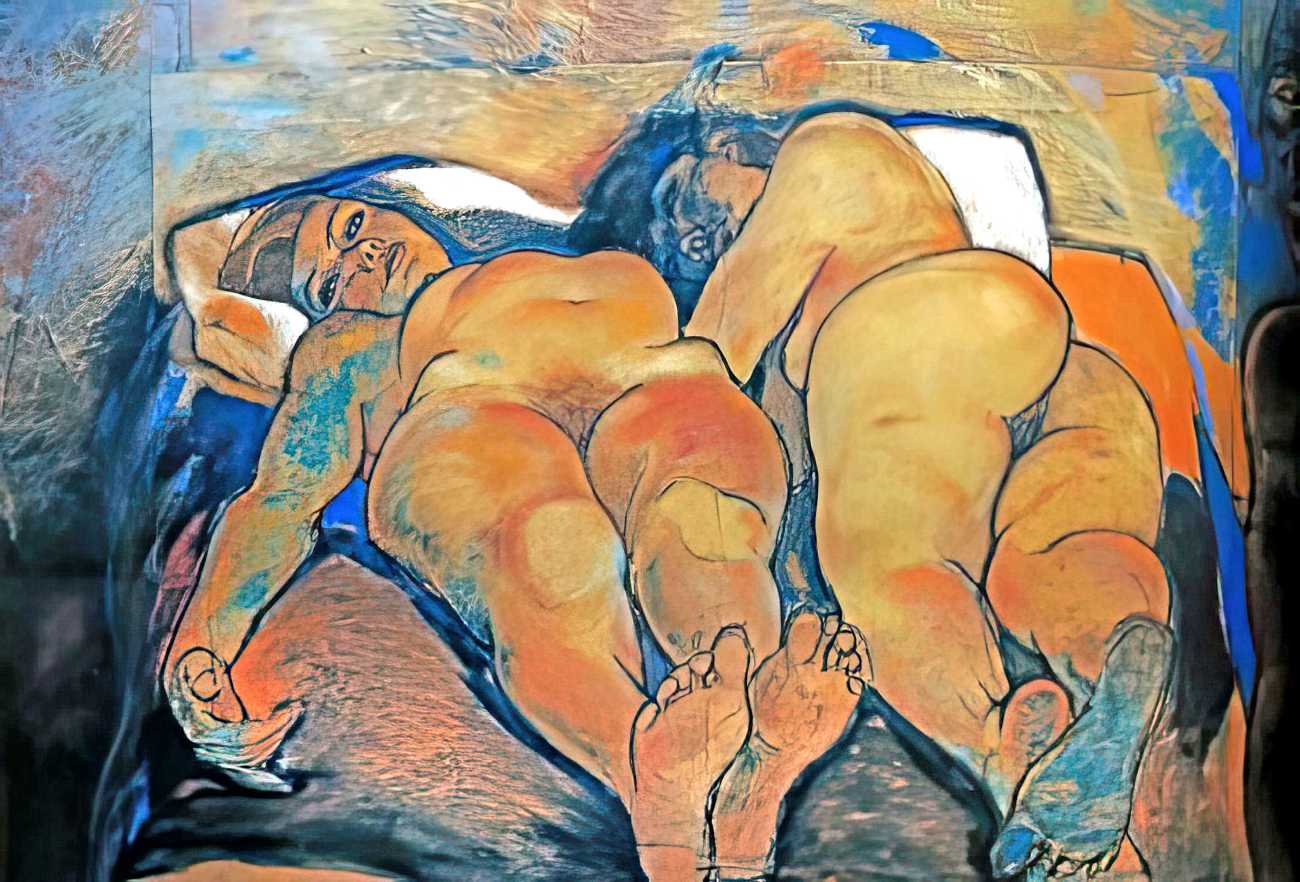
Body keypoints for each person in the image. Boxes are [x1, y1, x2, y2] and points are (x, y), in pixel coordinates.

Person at [162, 193, 869, 882]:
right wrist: (200, 645)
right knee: (547, 546)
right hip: (475, 404)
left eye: (351, 227)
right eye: (332, 281)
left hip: (665, 379)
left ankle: (746, 765)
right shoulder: (350, 346)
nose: (364, 256)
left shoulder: (565, 234)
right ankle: (656, 779)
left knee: (701, 525)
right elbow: (283, 498)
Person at [577, 107, 1175, 880]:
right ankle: (1115, 654)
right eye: (671, 249)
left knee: (887, 563)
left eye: (676, 201)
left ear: (723, 145)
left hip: (922, 333)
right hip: (1068, 371)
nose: (689, 241)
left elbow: (709, 359)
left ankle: (998, 757)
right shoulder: (837, 274)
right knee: (1057, 558)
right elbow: (781, 461)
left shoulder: (827, 150)